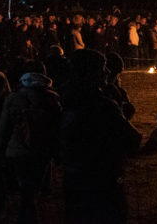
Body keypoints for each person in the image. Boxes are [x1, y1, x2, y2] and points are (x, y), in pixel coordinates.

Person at [59, 49, 141, 224]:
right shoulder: (102, 105)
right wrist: (123, 114)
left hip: (73, 179)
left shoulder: (63, 97)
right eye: (102, 68)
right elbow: (132, 140)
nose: (107, 72)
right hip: (102, 182)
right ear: (90, 72)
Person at [0, 67, 61, 224]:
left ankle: (26, 215)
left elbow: (4, 127)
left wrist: (1, 148)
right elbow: (57, 128)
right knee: (34, 187)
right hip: (42, 150)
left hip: (18, 149)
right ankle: (30, 214)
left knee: (25, 187)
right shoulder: (52, 100)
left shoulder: (13, 99)